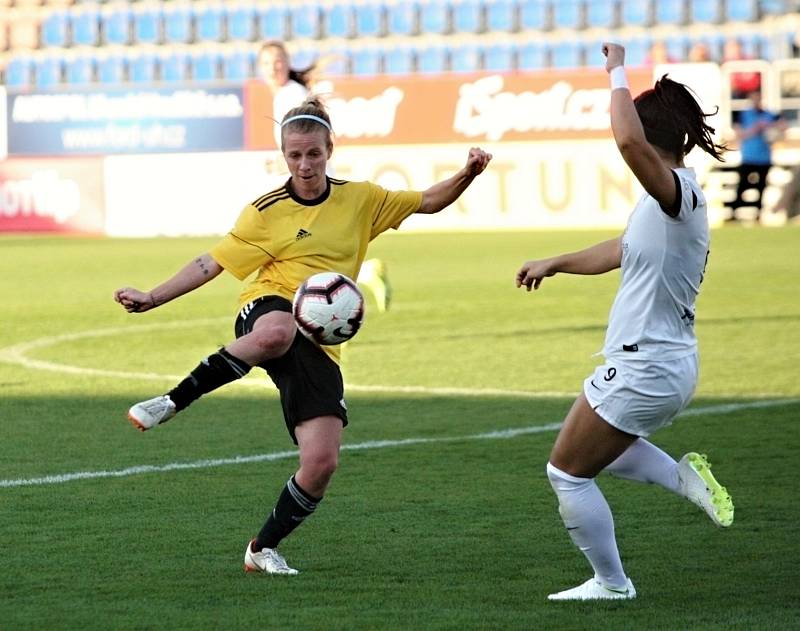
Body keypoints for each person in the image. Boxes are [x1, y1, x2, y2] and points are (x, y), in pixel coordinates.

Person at [114, 97, 492, 575]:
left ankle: (262, 548)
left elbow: (427, 201)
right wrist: (152, 297)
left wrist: (468, 174)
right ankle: (171, 400)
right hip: (267, 306)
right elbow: (210, 262)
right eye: (295, 155)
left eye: (313, 153)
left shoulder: (361, 200)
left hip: (319, 337)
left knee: (321, 462)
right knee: (276, 331)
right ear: (283, 156)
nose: (305, 164)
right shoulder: (266, 211)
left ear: (329, 149)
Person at [515, 43, 734, 601]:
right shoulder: (670, 202)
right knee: (605, 447)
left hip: (648, 366)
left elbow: (627, 140)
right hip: (664, 363)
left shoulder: (674, 192)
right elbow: (621, 250)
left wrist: (615, 71)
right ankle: (683, 479)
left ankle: (612, 585)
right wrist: (557, 262)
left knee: (567, 472)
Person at [257, 40, 392, 312]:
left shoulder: (289, 95)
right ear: (260, 69)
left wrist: (284, 165)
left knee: (302, 256)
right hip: (307, 187)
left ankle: (328, 312)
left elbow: (308, 142)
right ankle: (360, 279)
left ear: (287, 62)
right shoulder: (285, 95)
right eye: (268, 63)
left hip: (311, 190)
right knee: (312, 256)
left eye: (278, 61)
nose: (274, 68)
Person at [727, 90, 786, 222]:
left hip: (764, 158)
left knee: (761, 187)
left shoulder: (769, 114)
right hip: (748, 157)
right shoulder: (743, 115)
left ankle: (758, 214)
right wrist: (755, 129)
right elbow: (739, 134)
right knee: (742, 185)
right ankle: (734, 212)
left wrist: (772, 128)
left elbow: (783, 127)